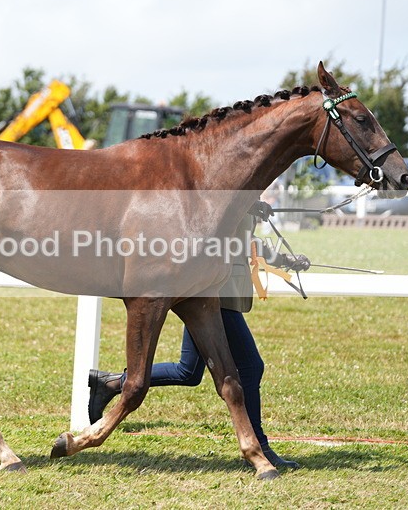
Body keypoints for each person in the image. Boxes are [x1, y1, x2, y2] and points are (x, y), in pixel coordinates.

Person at [88, 201, 310, 469]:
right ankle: (259, 446)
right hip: (213, 294)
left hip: (215, 292)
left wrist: (255, 211)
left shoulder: (242, 198)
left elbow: (245, 240)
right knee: (251, 366)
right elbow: (238, 243)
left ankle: (112, 382)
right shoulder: (224, 200)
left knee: (189, 372)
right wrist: (281, 257)